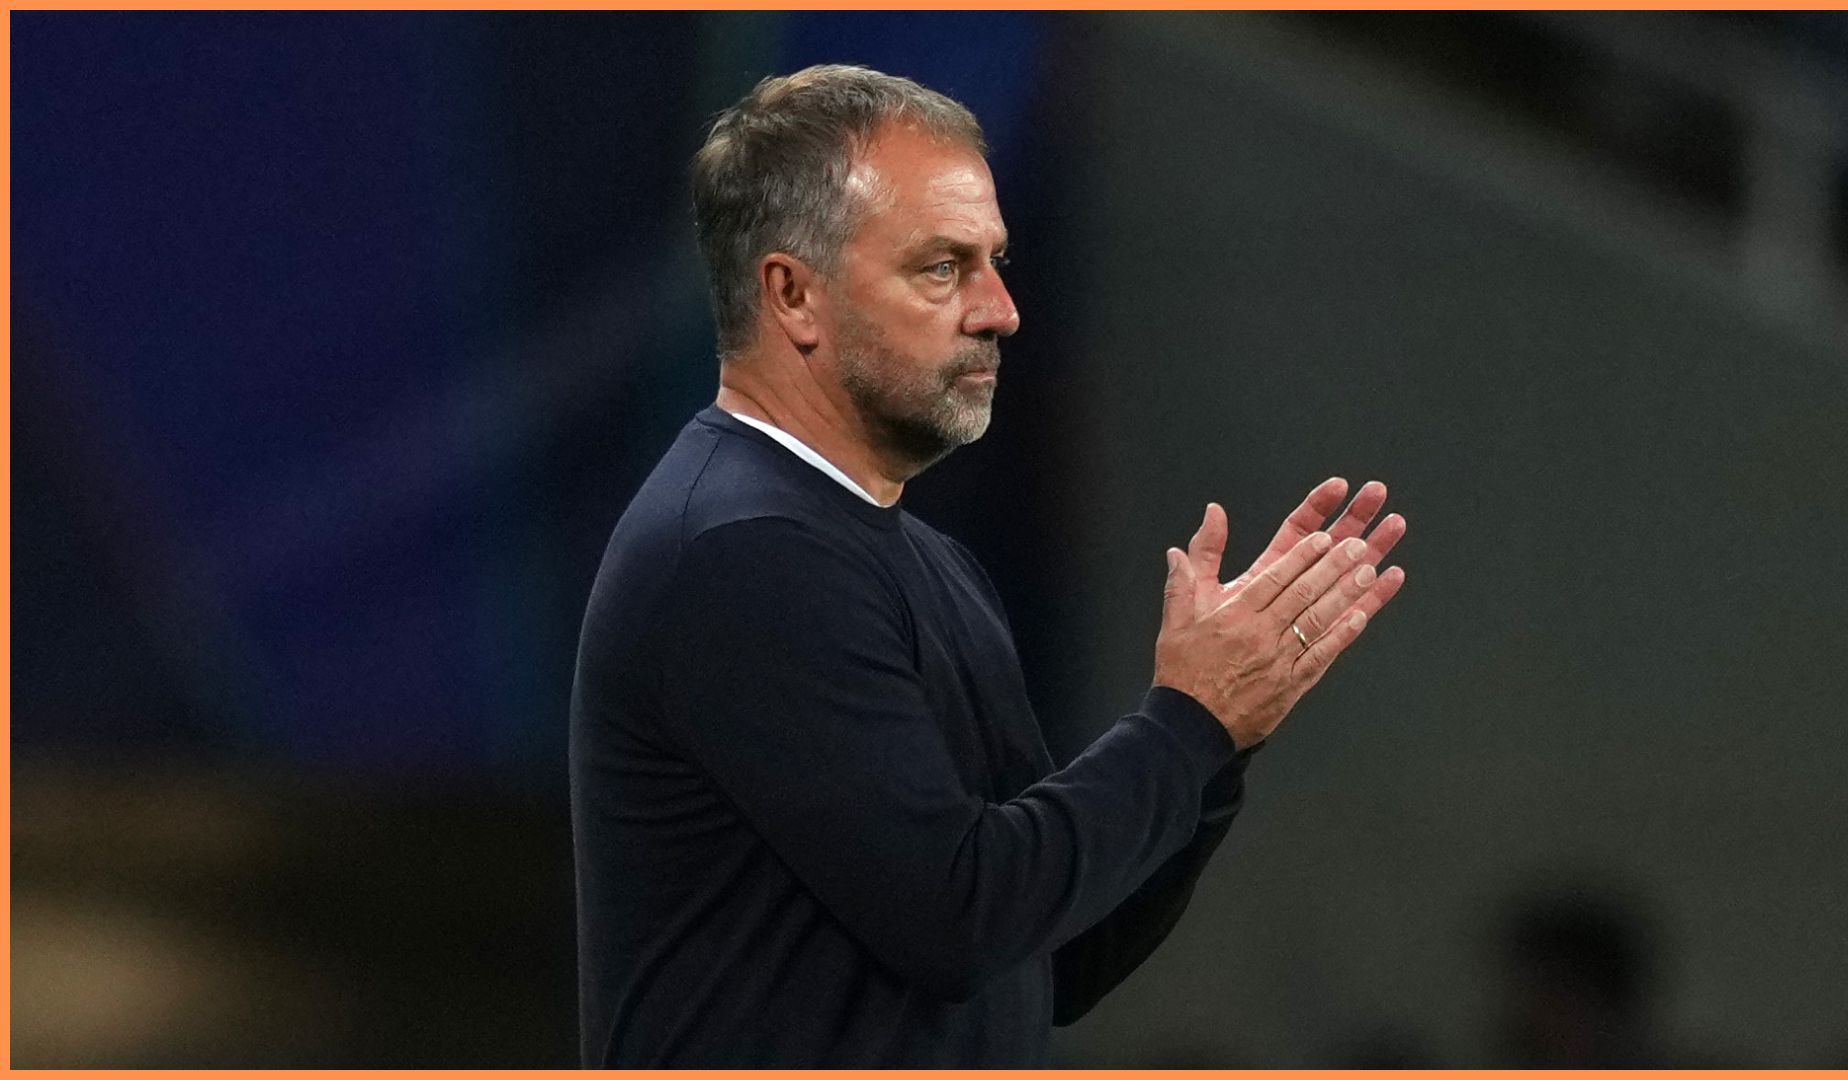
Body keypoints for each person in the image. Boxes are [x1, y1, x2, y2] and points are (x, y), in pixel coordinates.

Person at [569, 64, 1408, 1067]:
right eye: (942, 268)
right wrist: (1187, 722)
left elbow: (1056, 951)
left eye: (997, 261)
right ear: (792, 294)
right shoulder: (744, 550)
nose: (1001, 309)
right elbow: (960, 915)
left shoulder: (925, 563)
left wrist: (1221, 737)